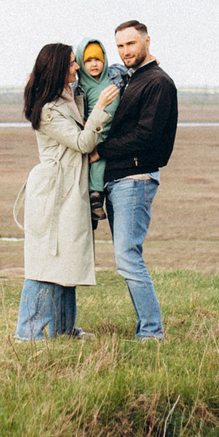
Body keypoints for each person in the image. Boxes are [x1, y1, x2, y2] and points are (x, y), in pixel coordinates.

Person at [15, 41, 121, 340]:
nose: (78, 66)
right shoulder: (48, 111)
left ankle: (62, 329)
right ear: (58, 68)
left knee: (67, 259)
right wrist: (100, 110)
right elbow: (83, 143)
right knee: (46, 260)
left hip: (69, 188)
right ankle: (30, 333)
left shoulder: (68, 99)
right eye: (72, 63)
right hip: (54, 191)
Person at [96, 20, 177, 340]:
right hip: (118, 178)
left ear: (146, 41)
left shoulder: (157, 82)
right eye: (120, 46)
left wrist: (99, 151)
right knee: (126, 257)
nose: (125, 51)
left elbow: (146, 136)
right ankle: (146, 328)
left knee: (128, 257)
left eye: (131, 44)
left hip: (135, 176)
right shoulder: (132, 79)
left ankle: (152, 333)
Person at [74, 38, 123, 235]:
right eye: (88, 60)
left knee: (104, 154)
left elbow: (135, 73)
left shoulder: (116, 75)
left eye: (98, 59)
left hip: (117, 130)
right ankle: (95, 197)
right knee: (96, 159)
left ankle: (97, 196)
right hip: (96, 131)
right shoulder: (79, 89)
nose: (94, 64)